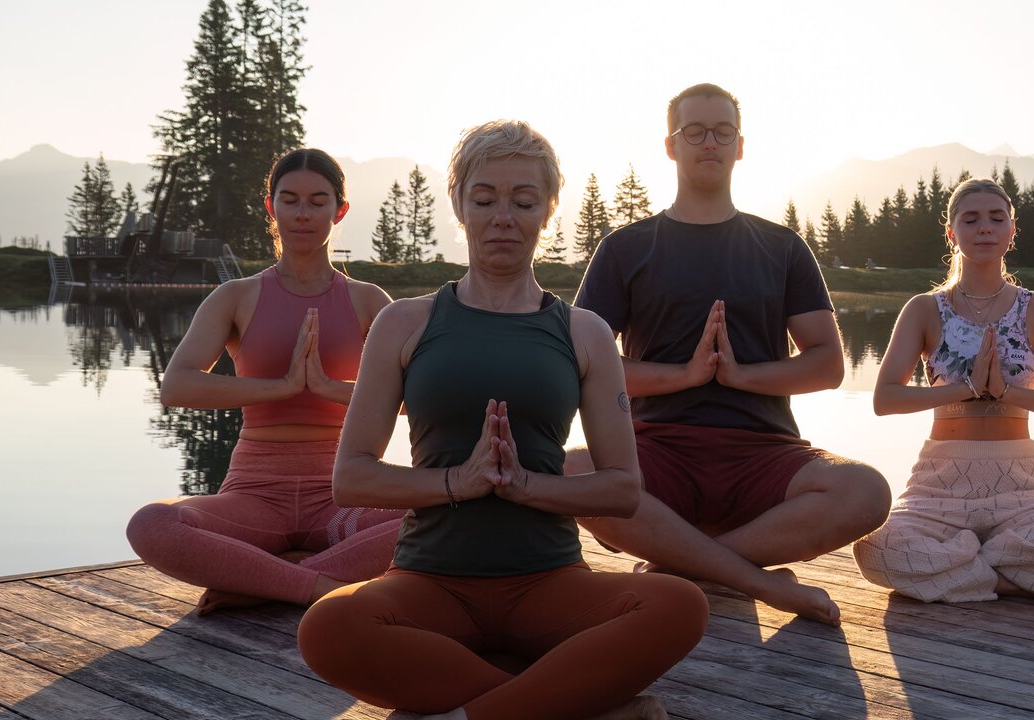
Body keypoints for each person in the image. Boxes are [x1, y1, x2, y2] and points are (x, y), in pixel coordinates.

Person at [297, 120, 708, 720]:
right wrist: (455, 483)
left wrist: (525, 486)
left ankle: (480, 712)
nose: (503, 218)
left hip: (549, 581)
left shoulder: (583, 332)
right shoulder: (405, 324)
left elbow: (622, 488)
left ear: (548, 209)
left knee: (679, 605)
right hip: (430, 579)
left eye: (523, 201)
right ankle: (565, 705)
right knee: (328, 627)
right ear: (460, 205)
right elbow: (352, 477)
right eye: (485, 199)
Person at [567, 83, 890, 626]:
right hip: (657, 454)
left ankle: (688, 564)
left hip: (764, 455)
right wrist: (685, 375)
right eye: (694, 131)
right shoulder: (626, 249)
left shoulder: (782, 247)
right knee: (568, 470)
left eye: (723, 132)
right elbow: (582, 367)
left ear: (741, 146)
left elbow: (828, 364)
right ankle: (751, 577)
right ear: (671, 145)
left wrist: (740, 377)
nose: (709, 143)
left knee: (866, 490)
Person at [126, 148, 403, 616]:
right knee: (152, 524)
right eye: (290, 200)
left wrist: (328, 388)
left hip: (342, 495)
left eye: (318, 201)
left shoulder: (368, 301)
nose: (303, 213)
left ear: (340, 210)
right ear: (271, 207)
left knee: (451, 515)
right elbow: (177, 386)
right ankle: (319, 584)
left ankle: (263, 580)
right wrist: (283, 386)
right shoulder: (236, 296)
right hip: (254, 497)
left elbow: (415, 398)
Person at [854, 178, 1034, 604]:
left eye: (997, 218)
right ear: (951, 233)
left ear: (1013, 231)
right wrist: (966, 388)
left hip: (1022, 485)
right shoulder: (924, 309)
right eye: (970, 219)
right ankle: (1012, 578)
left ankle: (961, 571)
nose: (985, 228)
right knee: (876, 549)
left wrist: (1006, 393)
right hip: (936, 486)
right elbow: (886, 399)